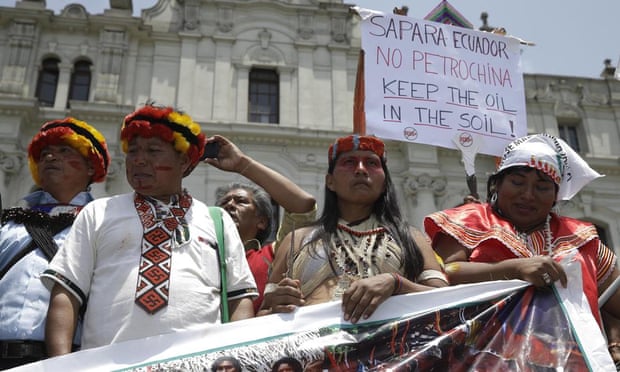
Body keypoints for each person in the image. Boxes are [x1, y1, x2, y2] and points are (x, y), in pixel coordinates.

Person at [42, 104, 257, 355]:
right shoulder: (98, 212)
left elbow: (239, 298)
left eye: (154, 151)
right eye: (132, 151)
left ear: (184, 161)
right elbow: (66, 294)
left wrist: (238, 359)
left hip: (198, 363)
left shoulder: (217, 220)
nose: (139, 160)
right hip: (106, 364)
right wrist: (61, 366)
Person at [424, 133, 620, 363]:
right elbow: (444, 275)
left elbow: (614, 299)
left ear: (556, 195)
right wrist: (515, 269)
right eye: (517, 182)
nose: (528, 195)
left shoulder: (582, 238)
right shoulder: (467, 220)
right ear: (497, 183)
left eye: (542, 187)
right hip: (482, 361)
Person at [258, 134, 448, 323]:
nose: (360, 170)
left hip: (390, 349)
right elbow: (260, 317)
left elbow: (447, 300)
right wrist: (278, 305)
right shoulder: (298, 239)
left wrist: (396, 283)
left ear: (384, 185)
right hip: (312, 347)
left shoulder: (411, 238)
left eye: (372, 163)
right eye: (349, 162)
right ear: (329, 181)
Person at [0, 118, 109, 369]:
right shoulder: (8, 225)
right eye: (45, 152)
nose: (50, 157)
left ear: (91, 167)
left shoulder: (105, 225)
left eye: (64, 151)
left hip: (69, 360)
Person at [206, 135, 316, 312]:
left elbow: (303, 206)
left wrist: (242, 164)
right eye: (224, 204)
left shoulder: (274, 253)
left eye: (240, 201)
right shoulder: (201, 254)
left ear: (262, 222)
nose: (230, 205)